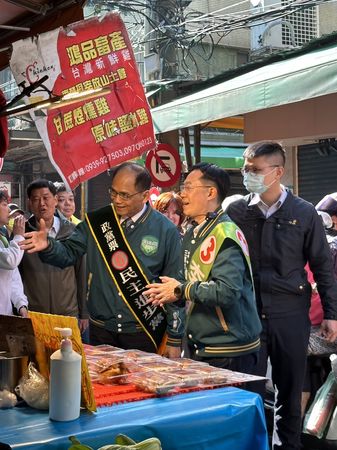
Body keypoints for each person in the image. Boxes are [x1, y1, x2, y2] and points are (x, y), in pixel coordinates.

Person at [226, 141, 337, 450]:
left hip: (290, 314)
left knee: (289, 395)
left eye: (255, 169)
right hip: (248, 315)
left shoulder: (303, 213)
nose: (247, 175)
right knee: (248, 392)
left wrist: (331, 314)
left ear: (278, 172)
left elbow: (322, 266)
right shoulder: (235, 211)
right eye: (245, 168)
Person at [19, 163, 185, 357]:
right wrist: (49, 245)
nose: (117, 200)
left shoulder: (165, 230)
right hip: (101, 330)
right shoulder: (98, 221)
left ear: (145, 195)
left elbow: (174, 286)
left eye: (125, 195)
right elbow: (68, 253)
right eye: (113, 192)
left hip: (143, 331)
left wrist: (174, 337)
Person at [145, 162, 261, 372]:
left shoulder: (224, 233)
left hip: (228, 351)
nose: (183, 194)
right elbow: (182, 284)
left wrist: (180, 289)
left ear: (211, 192)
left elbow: (227, 291)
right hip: (199, 346)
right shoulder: (193, 232)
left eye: (189, 187)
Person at [19, 179, 88, 335]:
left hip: (67, 313)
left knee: (68, 358)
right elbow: (17, 276)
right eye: (36, 199)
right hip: (35, 314)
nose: (41, 203)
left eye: (46, 197)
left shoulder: (73, 231)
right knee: (38, 359)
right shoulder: (22, 234)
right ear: (29, 203)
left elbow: (81, 274)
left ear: (55, 200)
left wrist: (84, 312)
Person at [0, 190, 28, 317]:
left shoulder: (3, 236)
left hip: (5, 314)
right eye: (5, 205)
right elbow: (10, 261)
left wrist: (21, 304)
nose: (9, 210)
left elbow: (12, 276)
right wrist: (18, 236)